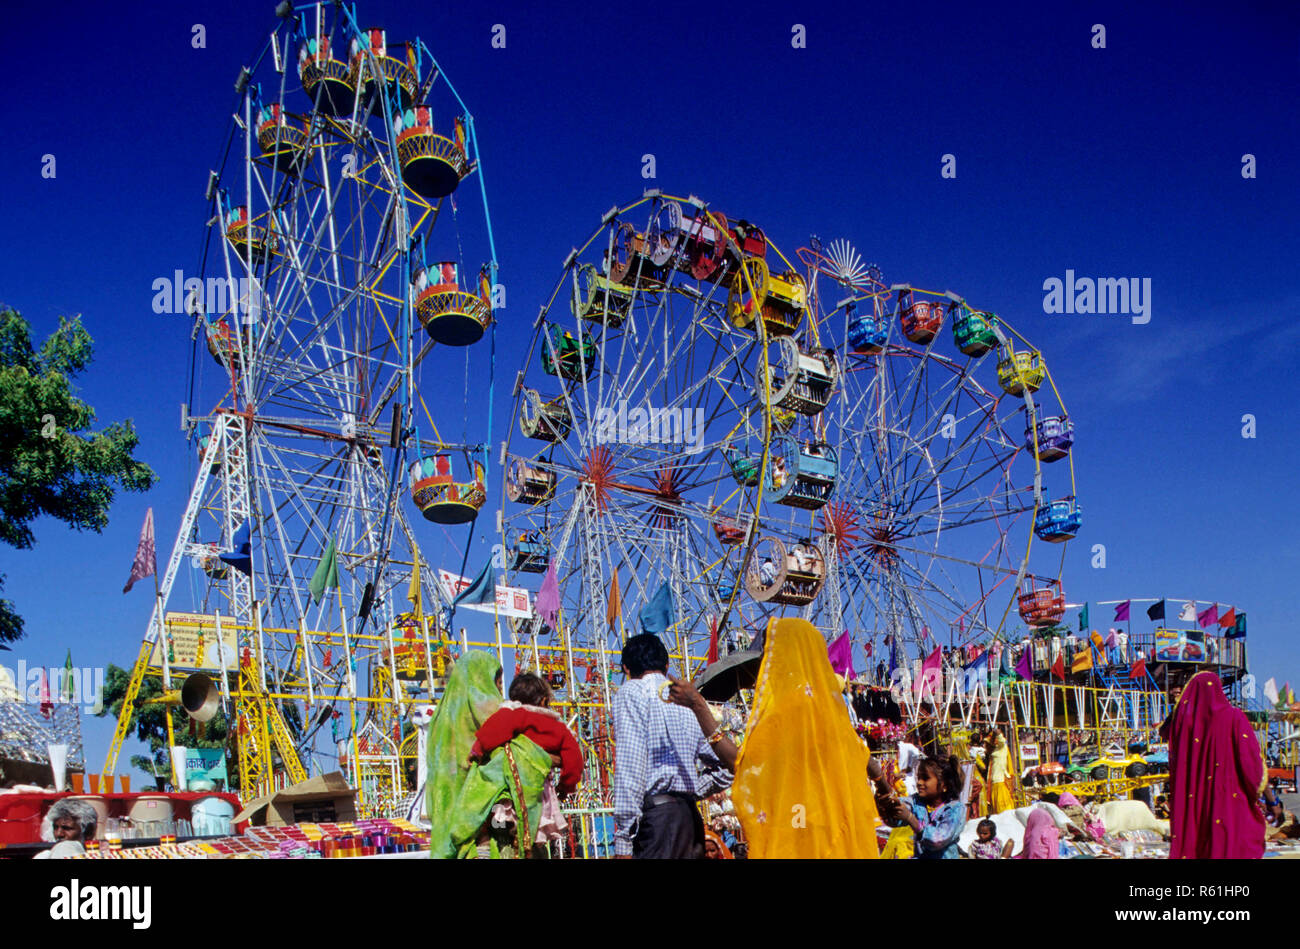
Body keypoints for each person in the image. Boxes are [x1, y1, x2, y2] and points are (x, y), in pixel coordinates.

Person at [729, 617, 880, 858]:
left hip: (800, 825)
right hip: (831, 826)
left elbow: (748, 763)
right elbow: (861, 755)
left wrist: (702, 713)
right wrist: (883, 787)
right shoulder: (828, 707)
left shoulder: (785, 711)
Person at [613, 633, 736, 859]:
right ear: (666, 665)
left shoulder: (632, 692)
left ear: (626, 669)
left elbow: (630, 768)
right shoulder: (686, 701)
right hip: (689, 819)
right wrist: (689, 790)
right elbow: (727, 767)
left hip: (658, 822)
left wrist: (623, 840)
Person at [426, 651, 554, 858]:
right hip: (489, 824)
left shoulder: (442, 717)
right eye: (497, 682)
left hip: (454, 826)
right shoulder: (490, 711)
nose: (499, 690)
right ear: (483, 679)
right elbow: (522, 751)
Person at [1160, 670, 1266, 859]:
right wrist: (1261, 793)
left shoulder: (1183, 728)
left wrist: (1178, 706)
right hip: (1229, 801)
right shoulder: (1234, 718)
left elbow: (1164, 731)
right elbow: (1251, 763)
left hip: (1194, 807)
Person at [878, 755, 965, 859]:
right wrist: (886, 804)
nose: (919, 783)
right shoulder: (916, 801)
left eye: (925, 778)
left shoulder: (955, 809)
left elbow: (937, 840)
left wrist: (911, 819)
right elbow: (896, 817)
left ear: (944, 785)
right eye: (918, 778)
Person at [983, 727, 1015, 814]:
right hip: (993, 784)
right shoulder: (993, 751)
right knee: (996, 812)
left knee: (1004, 811)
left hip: (1001, 782)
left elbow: (1002, 741)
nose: (985, 745)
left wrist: (998, 733)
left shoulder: (1002, 747)